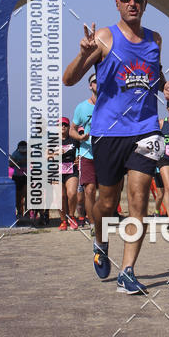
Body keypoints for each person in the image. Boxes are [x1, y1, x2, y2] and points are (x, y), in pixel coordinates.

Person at [63, 0, 169, 293]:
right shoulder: (104, 38)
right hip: (107, 133)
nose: (132, 3)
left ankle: (128, 271)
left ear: (145, 3)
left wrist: (164, 87)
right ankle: (100, 241)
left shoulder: (156, 39)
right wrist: (82, 53)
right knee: (107, 203)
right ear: (117, 3)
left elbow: (154, 72)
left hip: (145, 130)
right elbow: (69, 79)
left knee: (139, 198)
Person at [70, 73, 98, 235]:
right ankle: (93, 223)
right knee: (89, 191)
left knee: (109, 191)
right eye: (94, 82)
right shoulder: (82, 107)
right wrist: (80, 137)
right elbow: (72, 130)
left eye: (100, 81)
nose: (97, 84)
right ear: (90, 86)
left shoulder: (109, 104)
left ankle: (104, 218)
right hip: (87, 154)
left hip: (106, 154)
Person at [54, 117, 79, 230]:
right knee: (60, 196)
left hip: (71, 169)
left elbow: (81, 151)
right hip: (56, 171)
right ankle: (63, 220)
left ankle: (71, 217)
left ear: (69, 127)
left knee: (72, 193)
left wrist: (79, 158)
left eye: (65, 124)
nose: (63, 126)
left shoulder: (73, 140)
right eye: (60, 125)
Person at [9, 140, 28, 224]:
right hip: (17, 177)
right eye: (22, 147)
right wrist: (18, 162)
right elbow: (10, 163)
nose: (23, 149)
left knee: (26, 193)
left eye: (25, 147)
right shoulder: (15, 154)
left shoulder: (30, 154)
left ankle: (27, 212)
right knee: (18, 196)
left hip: (26, 176)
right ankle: (19, 212)